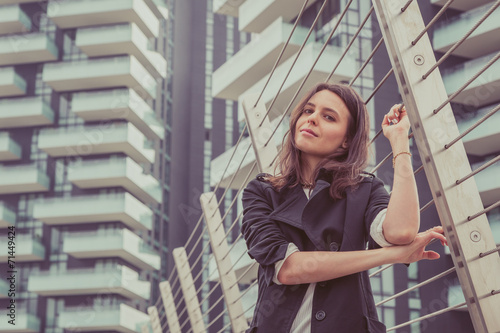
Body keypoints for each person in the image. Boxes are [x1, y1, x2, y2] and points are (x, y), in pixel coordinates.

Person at [241, 82, 447, 333]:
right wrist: (393, 254)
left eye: (328, 117)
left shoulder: (365, 189)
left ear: (346, 141)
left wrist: (400, 142)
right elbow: (289, 269)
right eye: (308, 111)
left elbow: (402, 232)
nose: (313, 119)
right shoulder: (262, 191)